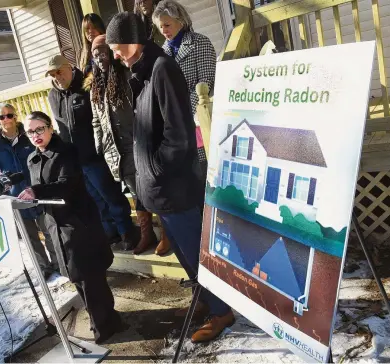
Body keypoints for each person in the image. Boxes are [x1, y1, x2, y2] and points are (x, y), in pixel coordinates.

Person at [106, 12, 235, 342]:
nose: (116, 53)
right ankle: (204, 299)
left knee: (195, 252)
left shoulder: (162, 69)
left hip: (174, 188)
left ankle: (222, 312)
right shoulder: (141, 72)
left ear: (136, 40)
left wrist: (156, 171)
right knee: (181, 251)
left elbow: (179, 136)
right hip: (158, 190)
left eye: (119, 47)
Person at [18, 111, 122, 344]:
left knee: (90, 276)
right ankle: (107, 319)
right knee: (76, 276)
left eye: (39, 129)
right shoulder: (32, 159)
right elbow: (39, 189)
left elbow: (67, 184)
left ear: (50, 128)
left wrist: (36, 192)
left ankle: (104, 326)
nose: (35, 135)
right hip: (55, 225)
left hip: (78, 223)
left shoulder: (66, 151)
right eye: (30, 131)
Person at [88, 35, 172, 256]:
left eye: (103, 53)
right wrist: (101, 145)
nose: (99, 59)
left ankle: (167, 233)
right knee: (137, 195)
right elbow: (96, 120)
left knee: (151, 190)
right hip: (116, 152)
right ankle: (147, 234)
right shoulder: (95, 88)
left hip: (137, 145)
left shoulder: (126, 77)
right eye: (95, 55)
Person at [46, 55, 139, 250]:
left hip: (94, 155)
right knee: (94, 199)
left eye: (59, 72)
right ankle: (110, 233)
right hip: (74, 158)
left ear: (69, 68)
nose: (57, 77)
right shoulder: (53, 96)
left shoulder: (86, 87)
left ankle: (127, 231)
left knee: (110, 195)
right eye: (53, 75)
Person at [153, 0, 216, 206]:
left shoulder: (200, 43)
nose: (164, 30)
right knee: (190, 184)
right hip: (177, 130)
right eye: (160, 26)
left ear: (180, 21)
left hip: (198, 122)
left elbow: (206, 83)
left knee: (206, 176)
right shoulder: (162, 53)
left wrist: (178, 109)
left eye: (168, 25)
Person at [0, 103, 58, 279]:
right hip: (15, 197)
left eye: (9, 115)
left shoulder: (29, 136)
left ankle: (58, 263)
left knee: (49, 230)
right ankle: (44, 267)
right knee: (30, 237)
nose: (6, 119)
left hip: (36, 191)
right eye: (2, 117)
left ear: (15, 116)